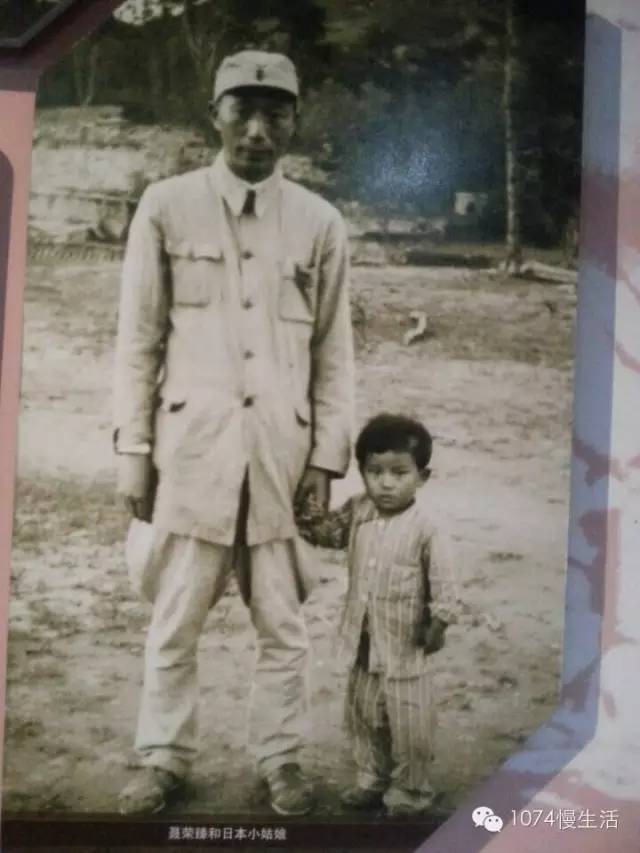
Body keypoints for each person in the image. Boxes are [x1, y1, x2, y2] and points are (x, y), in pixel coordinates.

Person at [113, 49, 354, 816]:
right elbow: (138, 341)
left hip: (280, 459)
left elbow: (334, 353)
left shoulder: (320, 222)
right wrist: (134, 450)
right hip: (191, 454)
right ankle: (163, 756)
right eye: (241, 111)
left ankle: (281, 758)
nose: (257, 130)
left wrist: (326, 459)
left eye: (274, 114)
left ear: (294, 121)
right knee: (174, 618)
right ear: (213, 115)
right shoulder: (166, 205)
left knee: (284, 624)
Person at [295, 413, 460, 817]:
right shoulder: (358, 511)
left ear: (422, 476)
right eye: (375, 472)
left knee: (410, 724)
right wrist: (306, 510)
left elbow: (444, 580)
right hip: (361, 643)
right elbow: (328, 533)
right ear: (362, 472)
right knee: (363, 717)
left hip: (405, 648)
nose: (386, 483)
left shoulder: (427, 528)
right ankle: (372, 777)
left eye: (399, 473)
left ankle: (411, 789)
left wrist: (439, 621)